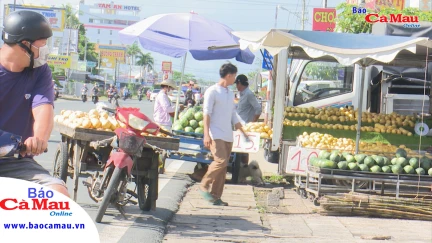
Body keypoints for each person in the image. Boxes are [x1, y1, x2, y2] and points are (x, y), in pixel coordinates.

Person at [0, 10, 69, 196]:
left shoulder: (40, 71)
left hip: (14, 160)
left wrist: (38, 139)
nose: (46, 51)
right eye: (43, 45)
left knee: (58, 193)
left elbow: (43, 108)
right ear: (24, 44)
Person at [200, 63, 249, 206]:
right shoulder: (212, 91)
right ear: (229, 75)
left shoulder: (229, 93)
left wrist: (243, 132)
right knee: (220, 161)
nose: (235, 79)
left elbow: (233, 115)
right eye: (234, 76)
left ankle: (216, 196)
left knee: (223, 167)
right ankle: (204, 183)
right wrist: (206, 134)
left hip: (228, 134)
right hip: (215, 134)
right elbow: (206, 114)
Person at [235, 74, 263, 167]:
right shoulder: (242, 94)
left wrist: (252, 123)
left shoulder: (248, 94)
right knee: (238, 152)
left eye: (237, 84)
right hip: (239, 126)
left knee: (244, 152)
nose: (236, 86)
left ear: (240, 83)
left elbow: (258, 109)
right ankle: (239, 172)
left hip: (245, 127)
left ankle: (244, 172)